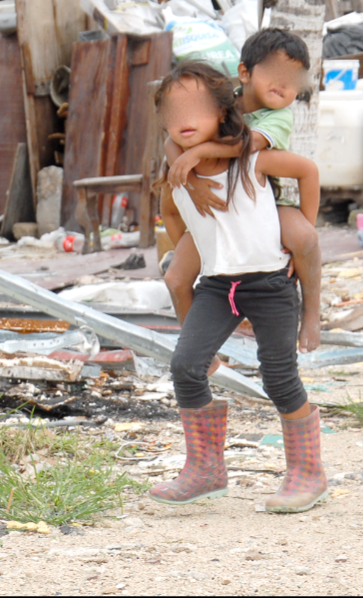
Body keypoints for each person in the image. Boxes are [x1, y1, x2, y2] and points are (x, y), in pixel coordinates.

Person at [150, 61, 327, 514]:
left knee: (279, 378)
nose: (184, 120)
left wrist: (301, 229)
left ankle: (308, 473)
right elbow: (173, 214)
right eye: (173, 112)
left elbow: (307, 169)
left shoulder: (251, 159)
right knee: (187, 367)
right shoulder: (177, 172)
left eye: (196, 109)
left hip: (269, 285)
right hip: (216, 287)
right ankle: (205, 470)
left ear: (221, 113)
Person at [161, 29, 323, 359]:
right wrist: (190, 179)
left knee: (305, 238)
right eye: (274, 75)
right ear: (245, 73)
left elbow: (243, 145)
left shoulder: (278, 117)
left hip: (269, 201)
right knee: (177, 278)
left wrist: (291, 242)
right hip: (221, 207)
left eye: (292, 80)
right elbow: (171, 139)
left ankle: (312, 314)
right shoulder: (222, 100)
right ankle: (197, 350)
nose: (282, 85)